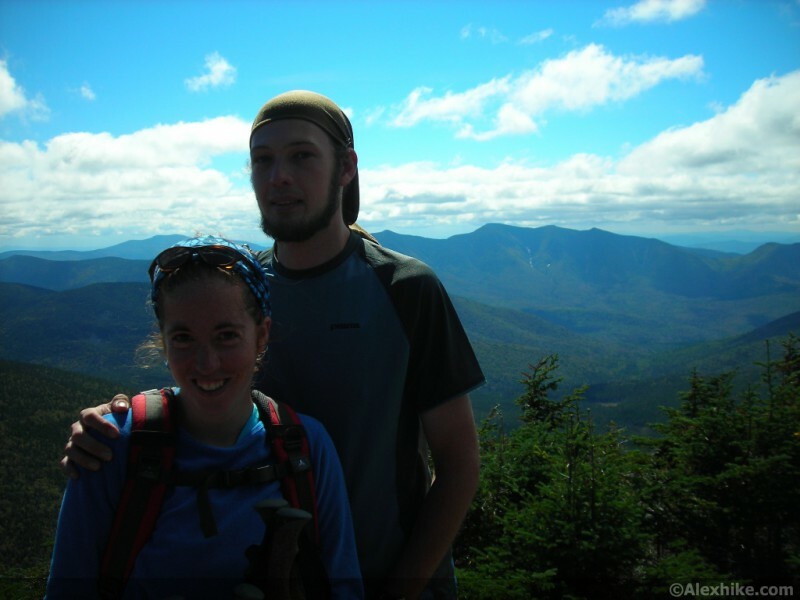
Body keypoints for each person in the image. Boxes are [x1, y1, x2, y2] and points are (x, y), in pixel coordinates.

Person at [61, 91, 484, 599]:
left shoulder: (405, 288)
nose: (279, 176)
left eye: (302, 156)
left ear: (346, 168)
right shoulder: (242, 288)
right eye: (263, 160)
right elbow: (205, 376)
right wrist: (118, 424)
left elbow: (459, 463)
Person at [47, 235, 363, 599]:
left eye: (226, 335)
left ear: (262, 336)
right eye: (183, 338)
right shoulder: (110, 444)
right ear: (163, 343)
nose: (206, 363)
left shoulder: (309, 446)